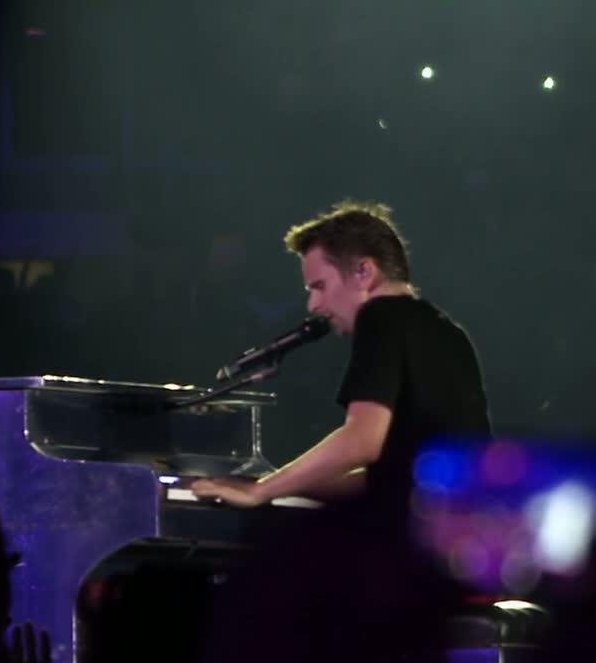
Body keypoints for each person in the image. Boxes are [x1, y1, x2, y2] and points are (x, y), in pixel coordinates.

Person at [192, 201, 490, 509]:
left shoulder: (380, 316)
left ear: (364, 271)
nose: (313, 305)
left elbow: (362, 441)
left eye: (319, 286)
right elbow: (391, 479)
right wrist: (282, 484)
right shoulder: (450, 334)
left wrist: (261, 490)